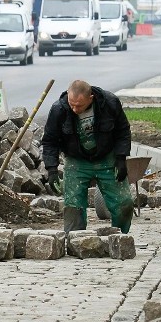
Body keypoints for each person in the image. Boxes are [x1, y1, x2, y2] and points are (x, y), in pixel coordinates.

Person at [42, 80, 134, 234]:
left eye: (79, 105)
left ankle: (119, 238)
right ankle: (75, 242)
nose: (75, 109)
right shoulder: (59, 109)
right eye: (72, 104)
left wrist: (121, 158)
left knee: (124, 205)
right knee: (73, 207)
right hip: (76, 161)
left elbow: (123, 131)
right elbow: (50, 141)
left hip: (107, 158)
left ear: (91, 98)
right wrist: (51, 170)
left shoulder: (109, 103)